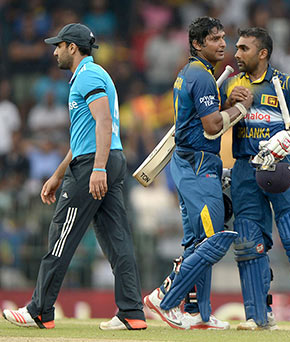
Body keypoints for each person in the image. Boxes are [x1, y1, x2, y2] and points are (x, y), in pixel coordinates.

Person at [2, 23, 147, 331]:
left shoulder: (89, 76)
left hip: (95, 163)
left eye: (58, 46)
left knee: (61, 234)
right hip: (100, 159)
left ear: (72, 47)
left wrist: (96, 168)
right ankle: (132, 311)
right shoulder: (88, 76)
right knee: (116, 238)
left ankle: (39, 309)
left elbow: (104, 122)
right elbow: (85, 135)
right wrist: (57, 173)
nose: (54, 51)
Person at [143, 16, 253, 330]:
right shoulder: (201, 75)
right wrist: (241, 109)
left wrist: (225, 101)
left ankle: (197, 313)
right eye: (215, 39)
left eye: (223, 38)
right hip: (198, 164)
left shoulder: (194, 73)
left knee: (196, 241)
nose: (223, 44)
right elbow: (212, 125)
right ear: (197, 44)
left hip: (190, 161)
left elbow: (200, 114)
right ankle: (164, 298)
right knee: (212, 238)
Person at [219, 27, 290, 332]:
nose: (237, 54)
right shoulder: (230, 84)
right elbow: (212, 123)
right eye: (237, 48)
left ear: (263, 53)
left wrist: (288, 138)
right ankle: (257, 316)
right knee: (247, 242)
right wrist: (227, 102)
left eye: (244, 49)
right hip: (244, 169)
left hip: (282, 167)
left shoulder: (286, 84)